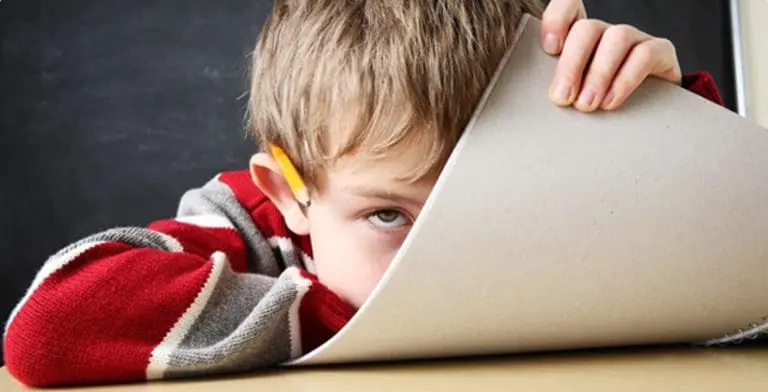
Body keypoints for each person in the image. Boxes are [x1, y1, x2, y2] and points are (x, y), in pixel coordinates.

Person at [3, 0, 724, 386]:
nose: (444, 257)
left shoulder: (563, 200)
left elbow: (737, 299)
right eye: (389, 215)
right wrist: (360, 325)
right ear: (290, 197)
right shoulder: (254, 227)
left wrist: (660, 132)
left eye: (480, 199)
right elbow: (48, 329)